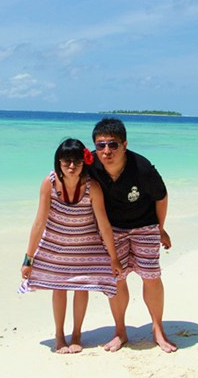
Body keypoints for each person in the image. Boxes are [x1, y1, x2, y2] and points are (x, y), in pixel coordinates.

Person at [19, 138, 123, 354]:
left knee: (81, 287)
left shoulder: (92, 187)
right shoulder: (49, 183)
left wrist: (114, 258)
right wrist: (28, 259)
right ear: (59, 162)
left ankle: (76, 334)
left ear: (84, 162)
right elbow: (39, 222)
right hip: (55, 245)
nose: (72, 166)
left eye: (77, 161)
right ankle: (59, 335)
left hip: (86, 246)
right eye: (66, 161)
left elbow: (104, 224)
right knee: (59, 287)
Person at [88, 118, 178, 353]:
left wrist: (160, 228)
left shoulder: (142, 168)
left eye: (113, 144)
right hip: (112, 229)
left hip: (144, 225)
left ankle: (158, 329)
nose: (106, 151)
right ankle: (120, 331)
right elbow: (66, 169)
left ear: (124, 145)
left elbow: (161, 197)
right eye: (100, 145)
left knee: (151, 276)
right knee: (117, 278)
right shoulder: (91, 164)